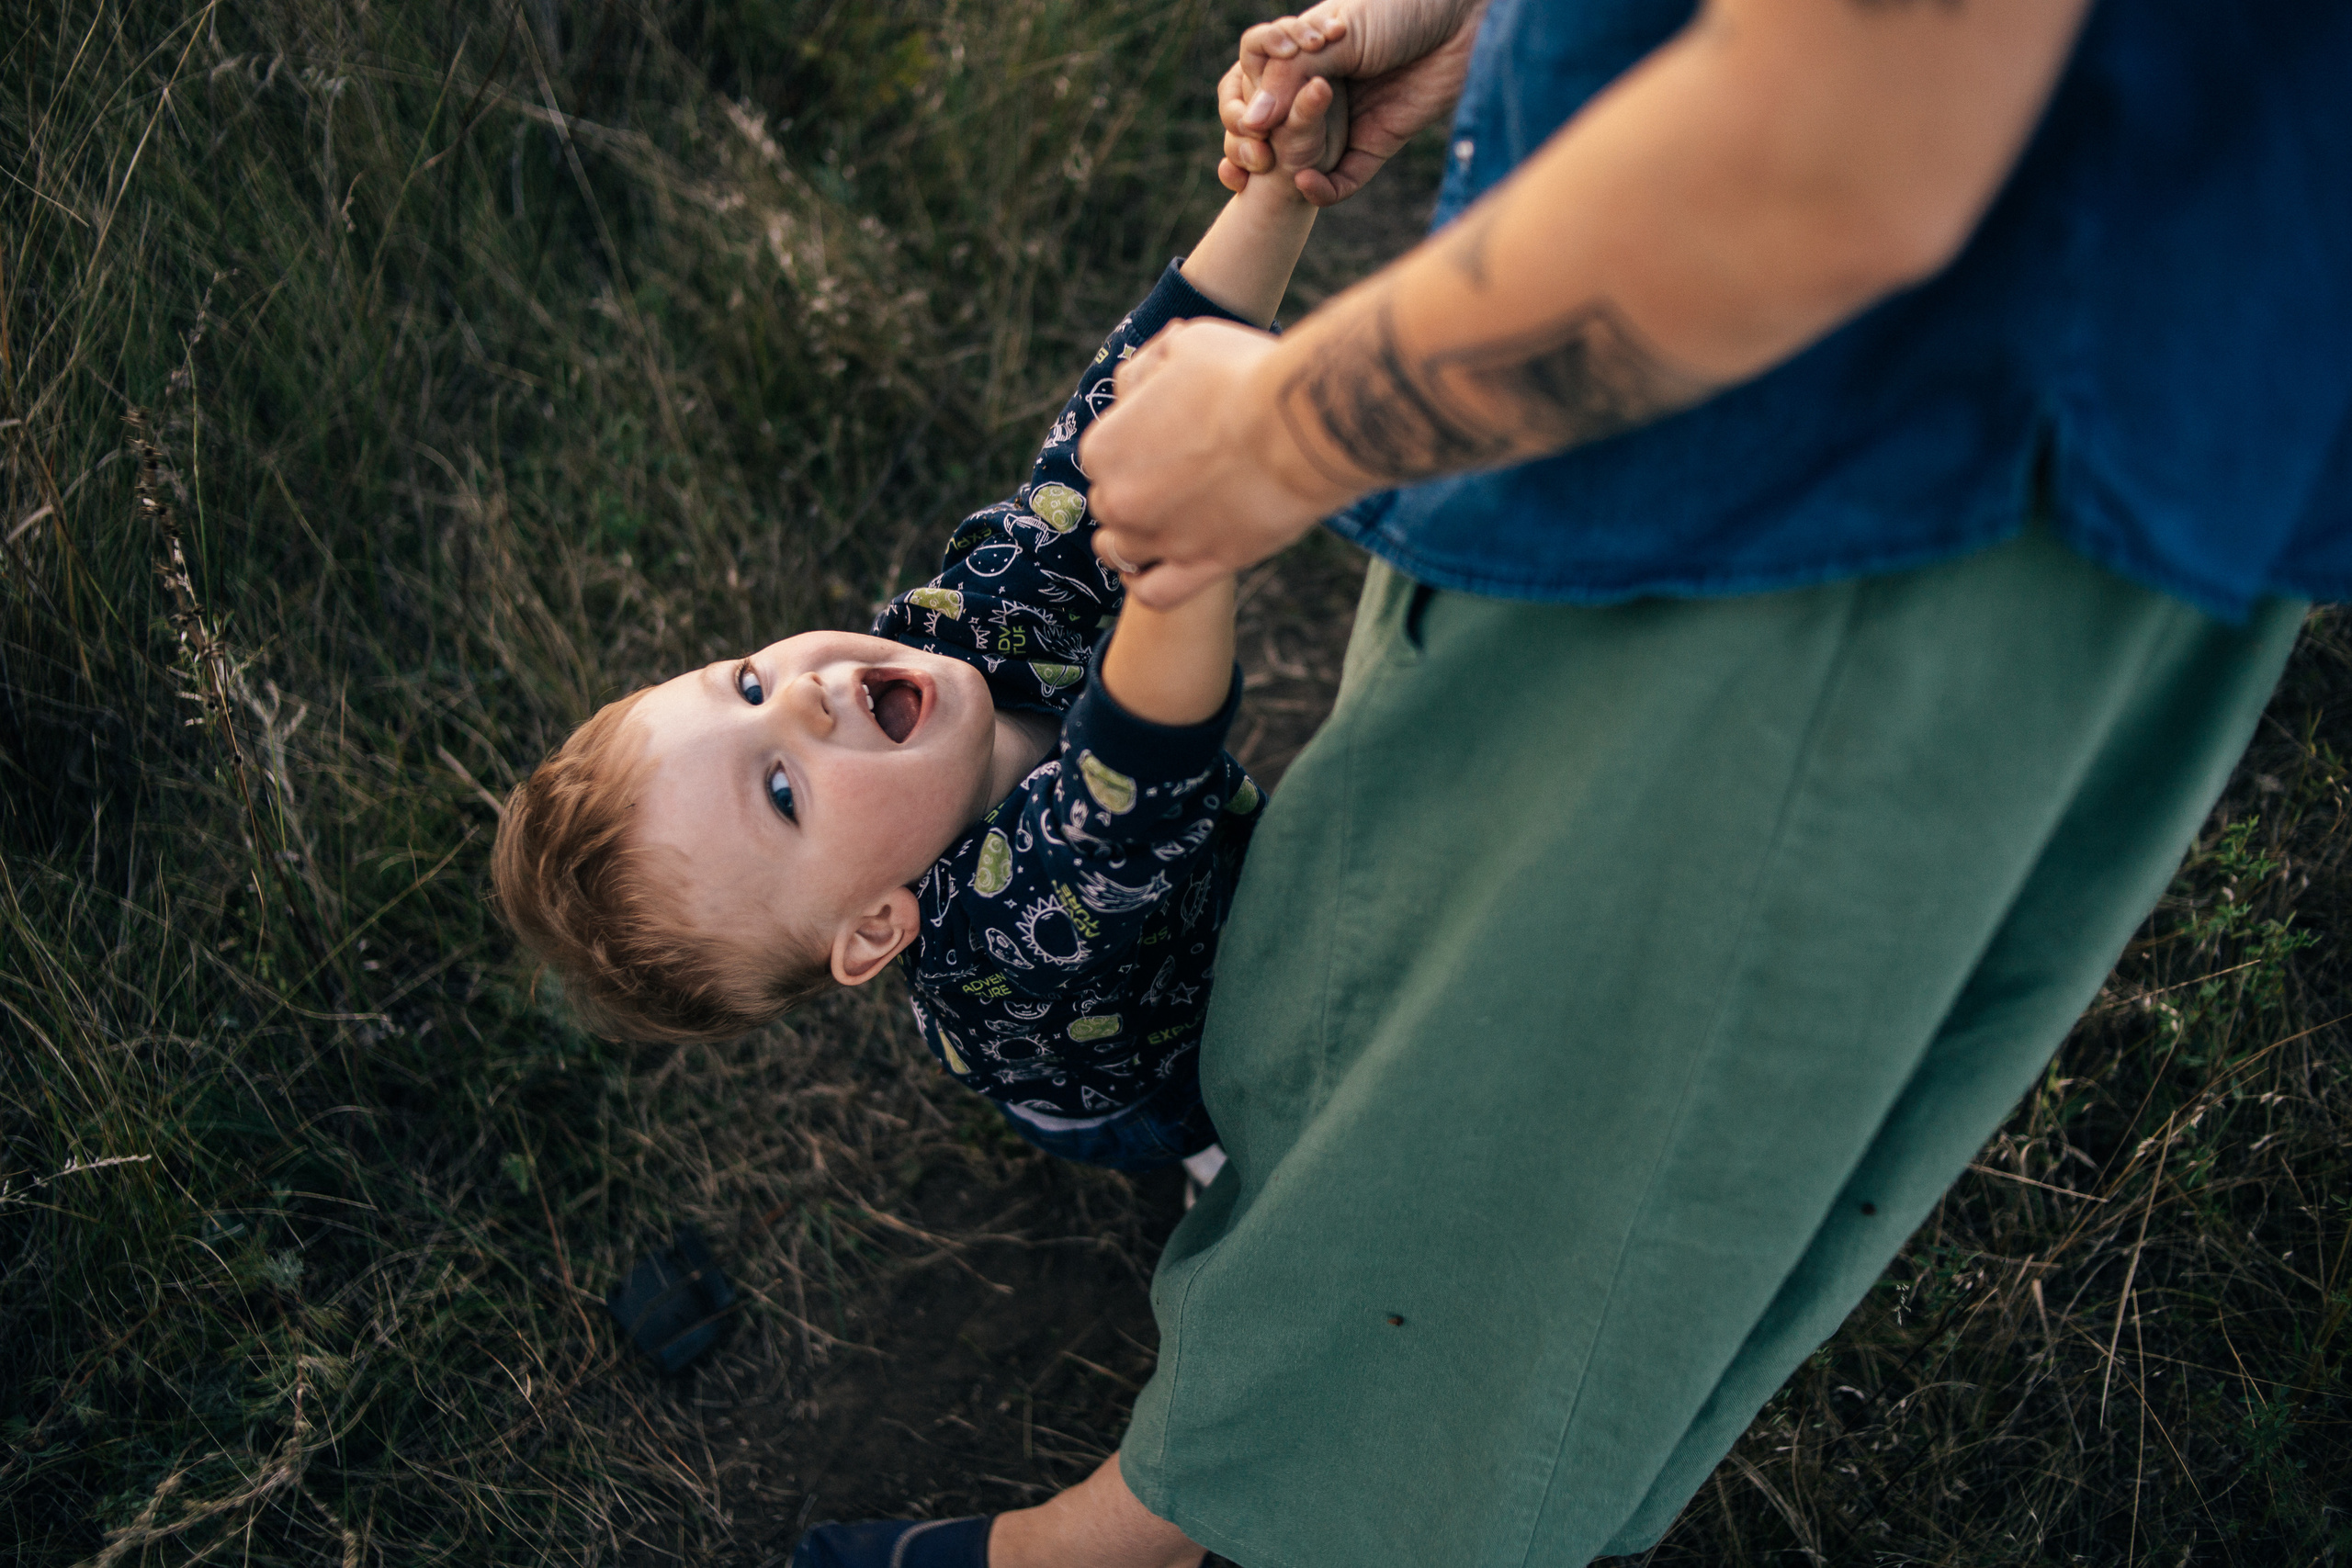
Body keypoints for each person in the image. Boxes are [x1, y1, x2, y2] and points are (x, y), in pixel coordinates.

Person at [809, 0, 2347, 1562]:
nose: (789, 697)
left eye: (748, 690)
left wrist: (1268, 443)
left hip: (1868, 496)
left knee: (1523, 1152)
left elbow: (1850, 143)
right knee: (1401, 1060)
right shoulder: (975, 899)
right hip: (1765, 429)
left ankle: (1193, 1520)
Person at [490, 79, 1352, 1179]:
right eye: (783, 791)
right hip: (1147, 1065)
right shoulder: (1012, 937)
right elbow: (1139, 761)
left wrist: (1279, 188)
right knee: (1259, 1109)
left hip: (1194, 887)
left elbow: (1105, 434)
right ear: (872, 931)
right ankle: (1214, 1162)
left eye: (747, 685)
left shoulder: (945, 641)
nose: (800, 697)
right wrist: (1190, 542)